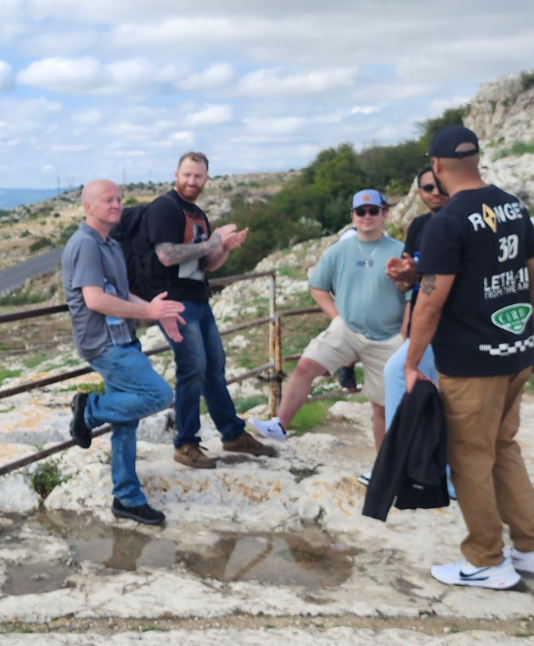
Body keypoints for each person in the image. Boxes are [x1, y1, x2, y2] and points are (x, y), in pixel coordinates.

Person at [405, 125, 534, 589]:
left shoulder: (448, 221)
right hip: (516, 349)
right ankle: (529, 547)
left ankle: (486, 559)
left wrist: (411, 361)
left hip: (472, 361)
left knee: (470, 456)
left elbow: (430, 302)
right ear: (477, 159)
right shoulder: (513, 206)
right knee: (502, 446)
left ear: (437, 166)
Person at [250, 189, 406, 480]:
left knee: (381, 407)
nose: (367, 216)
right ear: (353, 216)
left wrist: (405, 336)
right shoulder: (339, 251)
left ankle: (384, 473)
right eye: (361, 212)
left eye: (373, 211)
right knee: (305, 366)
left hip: (387, 337)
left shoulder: (399, 251)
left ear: (385, 214)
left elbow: (412, 296)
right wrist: (337, 318)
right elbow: (318, 287)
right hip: (347, 328)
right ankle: (280, 425)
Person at [133, 151, 276, 469]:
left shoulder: (197, 213)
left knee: (214, 369)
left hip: (199, 298)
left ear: (206, 179)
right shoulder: (164, 207)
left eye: (198, 176)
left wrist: (224, 247)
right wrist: (213, 242)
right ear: (176, 174)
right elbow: (167, 255)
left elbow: (207, 263)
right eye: (187, 174)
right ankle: (185, 443)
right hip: (173, 301)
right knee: (193, 368)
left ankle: (232, 434)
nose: (192, 181)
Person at [62, 179, 186, 525]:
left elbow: (119, 293)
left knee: (126, 422)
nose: (117, 205)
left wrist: (156, 312)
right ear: (88, 207)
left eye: (119, 199)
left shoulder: (110, 243)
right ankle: (89, 409)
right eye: (108, 200)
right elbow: (95, 300)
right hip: (104, 343)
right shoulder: (86, 245)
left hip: (122, 337)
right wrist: (148, 311)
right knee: (159, 395)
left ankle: (127, 498)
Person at [383, 166, 449, 431]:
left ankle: (397, 449)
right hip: (422, 325)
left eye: (440, 186)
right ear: (419, 192)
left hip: (449, 325)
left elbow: (447, 278)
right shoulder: (419, 226)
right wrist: (401, 276)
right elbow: (407, 287)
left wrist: (415, 274)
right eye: (428, 188)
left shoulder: (457, 223)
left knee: (397, 372)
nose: (435, 193)